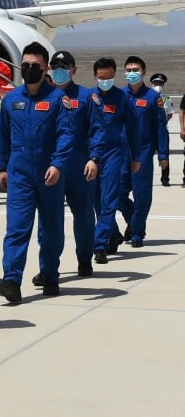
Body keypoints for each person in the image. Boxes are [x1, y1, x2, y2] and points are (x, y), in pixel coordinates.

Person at [0, 43, 75, 302]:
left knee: (51, 229)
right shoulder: (11, 100)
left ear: (45, 68)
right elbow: (4, 136)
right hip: (19, 175)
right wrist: (3, 167)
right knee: (17, 228)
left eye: (35, 66)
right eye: (25, 65)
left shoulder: (58, 100)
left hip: (49, 173)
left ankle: (50, 275)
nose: (29, 69)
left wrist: (57, 164)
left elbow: (66, 134)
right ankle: (11, 281)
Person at [85, 57, 140, 265]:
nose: (105, 80)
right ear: (95, 76)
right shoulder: (89, 97)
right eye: (101, 77)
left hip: (113, 154)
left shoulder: (122, 98)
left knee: (109, 200)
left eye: (109, 77)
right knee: (96, 201)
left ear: (114, 75)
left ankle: (100, 246)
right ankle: (113, 234)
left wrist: (136, 157)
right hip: (92, 156)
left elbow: (134, 130)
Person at [46, 51, 95, 277]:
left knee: (84, 216)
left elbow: (98, 130)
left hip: (79, 167)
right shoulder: (42, 97)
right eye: (55, 64)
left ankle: (85, 258)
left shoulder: (86, 97)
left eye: (64, 65)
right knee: (49, 221)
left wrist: (94, 159)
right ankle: (48, 269)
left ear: (74, 70)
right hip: (51, 168)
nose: (59, 68)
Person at [116, 56, 169, 247]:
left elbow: (160, 127)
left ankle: (137, 233)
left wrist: (163, 154)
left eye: (135, 69)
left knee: (142, 196)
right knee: (117, 194)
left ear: (144, 72)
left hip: (144, 152)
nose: (132, 73)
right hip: (121, 153)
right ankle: (133, 220)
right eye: (128, 69)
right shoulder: (120, 95)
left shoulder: (153, 98)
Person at [149, 73, 174, 186]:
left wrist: (161, 124)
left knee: (164, 155)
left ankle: (165, 178)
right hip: (148, 131)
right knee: (146, 155)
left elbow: (169, 113)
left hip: (162, 131)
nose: (158, 85)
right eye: (156, 83)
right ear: (152, 83)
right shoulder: (146, 96)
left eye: (160, 83)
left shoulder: (166, 98)